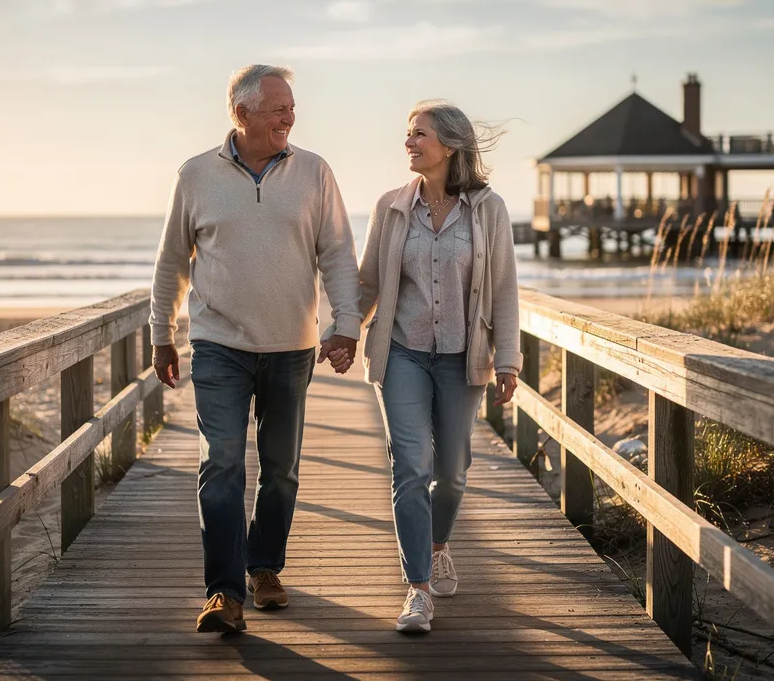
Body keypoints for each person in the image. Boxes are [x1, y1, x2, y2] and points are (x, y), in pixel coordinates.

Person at [149, 64, 362, 634]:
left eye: (291, 107)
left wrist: (346, 324)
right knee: (219, 463)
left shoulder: (315, 172)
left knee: (281, 469)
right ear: (240, 114)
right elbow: (172, 261)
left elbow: (338, 253)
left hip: (291, 345)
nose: (289, 117)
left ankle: (264, 566)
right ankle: (224, 591)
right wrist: (160, 333)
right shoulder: (195, 175)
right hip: (219, 343)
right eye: (277, 109)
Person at [325, 99, 519, 634]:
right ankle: (417, 589)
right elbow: (367, 283)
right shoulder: (391, 207)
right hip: (404, 352)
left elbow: (503, 289)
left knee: (452, 472)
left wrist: (508, 359)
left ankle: (437, 547)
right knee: (409, 466)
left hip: (463, 358)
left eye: (419, 135)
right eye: (408, 134)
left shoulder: (488, 209)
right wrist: (344, 330)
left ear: (450, 145)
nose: (409, 143)